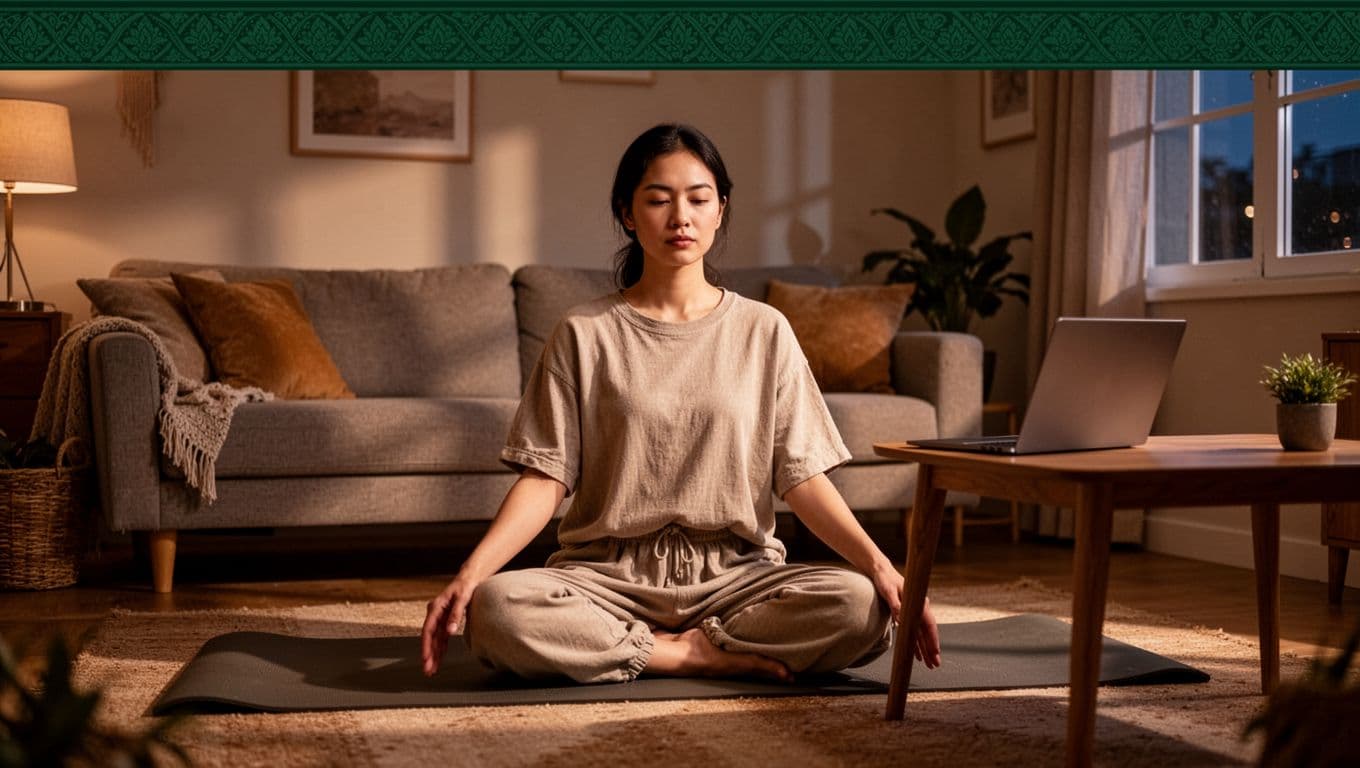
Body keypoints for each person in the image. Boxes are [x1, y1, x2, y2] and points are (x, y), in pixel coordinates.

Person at [421, 123, 941, 683]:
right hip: (607, 578)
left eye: (698, 199)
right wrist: (470, 574)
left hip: (737, 577)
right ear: (627, 213)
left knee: (859, 607)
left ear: (720, 210)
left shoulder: (764, 330)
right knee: (498, 610)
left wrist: (883, 568)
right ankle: (692, 655)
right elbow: (545, 479)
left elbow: (802, 479)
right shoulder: (583, 332)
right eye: (658, 200)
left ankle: (639, 648)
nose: (680, 218)